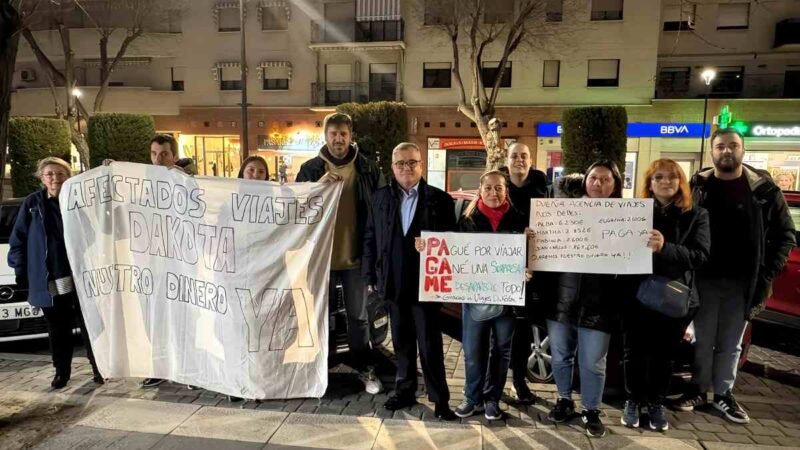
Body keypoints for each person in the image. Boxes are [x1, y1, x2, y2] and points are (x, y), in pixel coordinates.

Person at [672, 129, 796, 424]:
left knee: (731, 342)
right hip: (704, 277)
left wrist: (768, 273)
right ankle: (698, 389)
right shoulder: (697, 184)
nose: (726, 151)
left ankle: (724, 395)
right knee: (702, 339)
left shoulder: (764, 190)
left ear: (743, 149)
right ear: (711, 151)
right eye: (720, 146)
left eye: (733, 146)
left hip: (745, 281)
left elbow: (785, 234)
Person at [362, 143, 456, 420]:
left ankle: (440, 399)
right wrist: (369, 276)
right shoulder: (379, 198)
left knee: (430, 344)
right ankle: (405, 391)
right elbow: (369, 237)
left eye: (412, 162)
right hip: (392, 283)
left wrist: (434, 246)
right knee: (401, 343)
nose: (406, 168)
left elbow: (453, 242)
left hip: (427, 285)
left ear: (421, 165)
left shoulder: (440, 199)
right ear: (392, 167)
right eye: (401, 163)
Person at [296, 112, 385, 394]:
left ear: (350, 136)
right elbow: (295, 207)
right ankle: (318, 368)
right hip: (319, 258)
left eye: (343, 134)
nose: (338, 139)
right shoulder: (310, 169)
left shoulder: (368, 168)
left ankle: (364, 367)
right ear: (325, 137)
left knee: (358, 317)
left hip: (355, 257)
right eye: (333, 133)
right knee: (318, 315)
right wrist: (316, 187)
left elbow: (382, 210)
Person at [621, 159, 710, 432]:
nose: (665, 182)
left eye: (672, 177)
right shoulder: (635, 213)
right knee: (634, 352)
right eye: (658, 177)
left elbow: (701, 256)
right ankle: (633, 401)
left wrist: (665, 248)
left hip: (673, 297)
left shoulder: (697, 215)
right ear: (649, 183)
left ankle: (656, 403)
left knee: (663, 355)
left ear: (680, 182)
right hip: (637, 295)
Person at [545, 160, 628, 438]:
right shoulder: (563, 212)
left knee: (593, 362)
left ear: (615, 185)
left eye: (606, 179)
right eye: (594, 178)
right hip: (561, 299)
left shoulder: (626, 218)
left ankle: (591, 409)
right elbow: (545, 248)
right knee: (560, 356)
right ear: (585, 181)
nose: (599, 184)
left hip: (601, 303)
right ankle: (564, 400)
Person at [8, 157, 103, 389]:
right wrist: (21, 272)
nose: (55, 179)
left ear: (68, 177)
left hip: (80, 277)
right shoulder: (32, 204)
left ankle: (99, 369)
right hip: (50, 278)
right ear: (42, 178)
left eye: (60, 174)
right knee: (58, 330)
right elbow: (18, 240)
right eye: (50, 174)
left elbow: (96, 232)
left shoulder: (78, 202)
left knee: (90, 326)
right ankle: (62, 372)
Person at [447, 170, 530, 421]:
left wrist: (529, 264)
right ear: (480, 191)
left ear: (506, 191)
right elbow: (452, 252)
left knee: (502, 351)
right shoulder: (466, 219)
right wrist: (427, 247)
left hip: (507, 298)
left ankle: (492, 398)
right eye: (489, 188)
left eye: (499, 188)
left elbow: (532, 257)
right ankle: (472, 398)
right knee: (473, 351)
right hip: (474, 297)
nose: (494, 193)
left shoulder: (521, 219)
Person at [498, 142, 548, 404]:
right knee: (497, 329)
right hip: (498, 270)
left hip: (532, 272)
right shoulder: (497, 187)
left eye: (524, 156)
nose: (519, 160)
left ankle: (518, 380)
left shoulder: (544, 190)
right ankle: (492, 383)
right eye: (514, 156)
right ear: (507, 160)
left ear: (531, 161)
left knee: (522, 330)